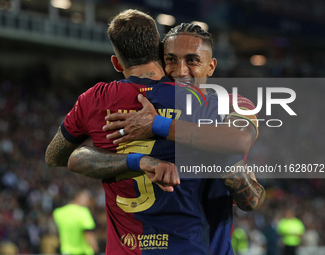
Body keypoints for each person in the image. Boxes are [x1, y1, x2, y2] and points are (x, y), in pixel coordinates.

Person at [46, 11, 265, 254]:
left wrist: (155, 127)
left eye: (192, 61)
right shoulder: (220, 110)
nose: (181, 71)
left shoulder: (93, 101)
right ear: (160, 56)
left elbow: (58, 156)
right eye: (172, 60)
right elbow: (247, 187)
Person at [53, 189, 99, 255]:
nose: (88, 200)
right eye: (86, 197)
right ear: (77, 197)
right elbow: (89, 234)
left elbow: (58, 233)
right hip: (83, 252)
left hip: (66, 252)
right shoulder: (83, 212)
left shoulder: (58, 213)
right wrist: (96, 250)